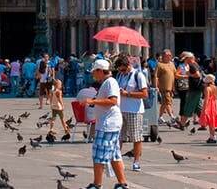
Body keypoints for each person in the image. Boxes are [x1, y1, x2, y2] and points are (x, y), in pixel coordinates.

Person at [82, 58, 127, 189]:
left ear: (100, 71)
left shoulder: (110, 82)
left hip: (108, 124)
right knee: (114, 155)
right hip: (109, 123)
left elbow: (113, 101)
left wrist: (93, 102)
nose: (93, 75)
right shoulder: (107, 82)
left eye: (94, 72)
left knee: (98, 155)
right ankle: (122, 183)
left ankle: (97, 185)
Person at [116, 55, 148, 172]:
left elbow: (145, 94)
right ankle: (117, 160)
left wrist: (128, 94)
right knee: (119, 137)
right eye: (119, 70)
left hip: (134, 110)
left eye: (123, 69)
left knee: (136, 137)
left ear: (128, 65)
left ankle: (136, 161)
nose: (121, 71)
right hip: (120, 109)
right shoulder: (119, 75)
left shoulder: (138, 75)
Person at [177, 52, 203, 130]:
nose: (184, 60)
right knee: (199, 108)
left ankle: (182, 124)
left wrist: (189, 75)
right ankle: (205, 123)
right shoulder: (196, 64)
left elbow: (197, 75)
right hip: (198, 88)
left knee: (188, 106)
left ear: (188, 58)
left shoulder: (192, 65)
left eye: (185, 58)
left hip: (194, 89)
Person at [47, 75, 71, 140]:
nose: (61, 85)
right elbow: (60, 99)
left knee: (53, 118)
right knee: (62, 119)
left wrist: (51, 104)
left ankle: (51, 129)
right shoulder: (59, 91)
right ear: (58, 85)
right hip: (58, 107)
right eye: (60, 84)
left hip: (53, 106)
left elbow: (51, 98)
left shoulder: (52, 91)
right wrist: (62, 105)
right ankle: (66, 129)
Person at [154, 50, 176, 123]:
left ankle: (159, 117)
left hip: (171, 87)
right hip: (164, 87)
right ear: (164, 56)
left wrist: (185, 76)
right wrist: (156, 86)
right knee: (167, 102)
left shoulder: (172, 64)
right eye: (168, 55)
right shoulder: (159, 65)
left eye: (170, 55)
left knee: (164, 103)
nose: (170, 57)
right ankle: (172, 116)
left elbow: (175, 74)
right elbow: (155, 76)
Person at [199, 73, 217, 144]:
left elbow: (206, 99)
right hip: (213, 105)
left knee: (209, 122)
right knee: (212, 122)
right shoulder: (215, 87)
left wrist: (204, 108)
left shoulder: (207, 88)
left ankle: (212, 137)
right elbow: (216, 97)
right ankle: (212, 136)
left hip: (209, 106)